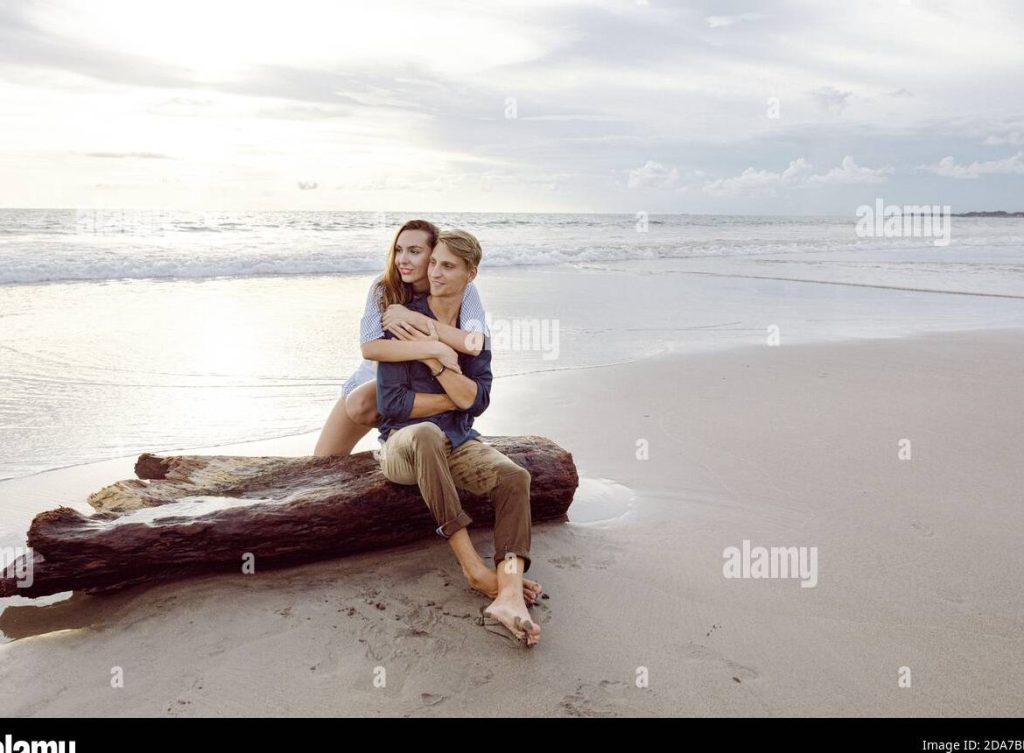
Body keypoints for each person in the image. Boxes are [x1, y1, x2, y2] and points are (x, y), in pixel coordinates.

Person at [375, 230, 542, 647]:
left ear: (471, 274)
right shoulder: (402, 320)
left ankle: (507, 593)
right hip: (403, 446)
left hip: (461, 441)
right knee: (428, 432)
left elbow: (477, 402)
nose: (435, 272)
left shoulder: (472, 333)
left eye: (447, 266)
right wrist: (454, 396)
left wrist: (434, 359)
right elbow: (393, 404)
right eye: (433, 263)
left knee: (514, 477)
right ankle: (472, 568)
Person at [313, 219, 488, 458]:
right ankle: (405, 433)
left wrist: (416, 320)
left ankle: (402, 441)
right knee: (322, 459)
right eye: (398, 250)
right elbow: (370, 348)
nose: (402, 259)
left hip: (429, 380)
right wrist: (433, 350)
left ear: (433, 253)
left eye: (414, 251)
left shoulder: (463, 288)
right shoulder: (383, 287)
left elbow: (475, 343)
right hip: (376, 376)